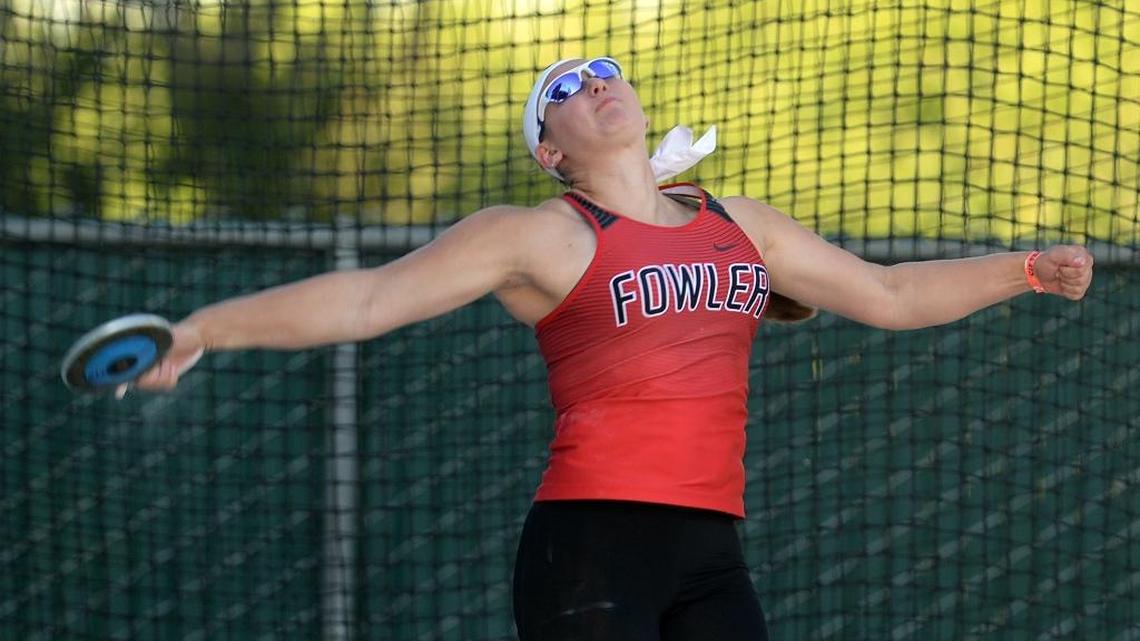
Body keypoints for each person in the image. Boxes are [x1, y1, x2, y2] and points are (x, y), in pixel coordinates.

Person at [135, 57, 1095, 640]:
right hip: (592, 549)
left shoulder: (741, 225)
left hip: (713, 549)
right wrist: (203, 329)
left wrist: (1025, 270)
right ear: (549, 150)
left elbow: (890, 293)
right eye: (564, 89)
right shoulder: (538, 233)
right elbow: (367, 299)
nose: (594, 86)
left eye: (603, 72)